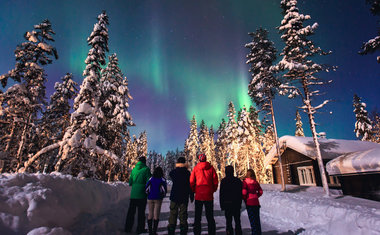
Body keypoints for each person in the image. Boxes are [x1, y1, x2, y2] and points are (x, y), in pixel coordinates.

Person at [190, 154, 218, 235]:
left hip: (199, 195)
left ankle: (197, 232)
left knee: (197, 217)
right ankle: (212, 232)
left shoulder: (195, 169)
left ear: (199, 160)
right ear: (206, 159)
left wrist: (194, 190)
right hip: (208, 195)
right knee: (210, 216)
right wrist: (213, 189)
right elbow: (215, 180)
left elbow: (191, 181)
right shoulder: (211, 168)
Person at [167, 157, 194, 235]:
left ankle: (171, 230)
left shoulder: (174, 172)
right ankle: (183, 230)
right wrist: (191, 195)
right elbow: (190, 185)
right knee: (183, 214)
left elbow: (170, 173)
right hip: (184, 196)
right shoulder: (187, 173)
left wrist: (177, 167)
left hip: (174, 196)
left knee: (173, 213)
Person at [125, 156, 152, 234]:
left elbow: (130, 182)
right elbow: (149, 181)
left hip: (133, 194)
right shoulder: (146, 169)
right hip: (142, 194)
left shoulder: (134, 170)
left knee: (131, 212)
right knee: (141, 213)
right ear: (144, 162)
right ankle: (140, 229)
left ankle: (128, 228)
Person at [219, 165, 243, 235]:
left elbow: (222, 194)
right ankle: (238, 233)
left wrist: (222, 205)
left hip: (227, 204)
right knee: (237, 221)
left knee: (228, 222)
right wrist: (240, 203)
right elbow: (240, 193)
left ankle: (229, 232)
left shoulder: (224, 181)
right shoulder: (237, 181)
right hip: (236, 204)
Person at [145, 166, 167, 235]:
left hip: (150, 198)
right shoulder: (162, 179)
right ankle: (154, 231)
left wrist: (148, 194)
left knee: (150, 214)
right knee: (156, 215)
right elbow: (164, 190)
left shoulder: (151, 178)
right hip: (158, 198)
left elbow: (146, 187)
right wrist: (162, 196)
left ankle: (150, 231)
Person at [242, 169, 263, 235]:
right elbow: (260, 191)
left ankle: (254, 233)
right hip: (256, 203)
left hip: (249, 202)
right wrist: (256, 196)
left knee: (252, 220)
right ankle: (258, 233)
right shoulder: (255, 182)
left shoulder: (245, 182)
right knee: (257, 220)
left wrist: (245, 198)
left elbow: (244, 192)